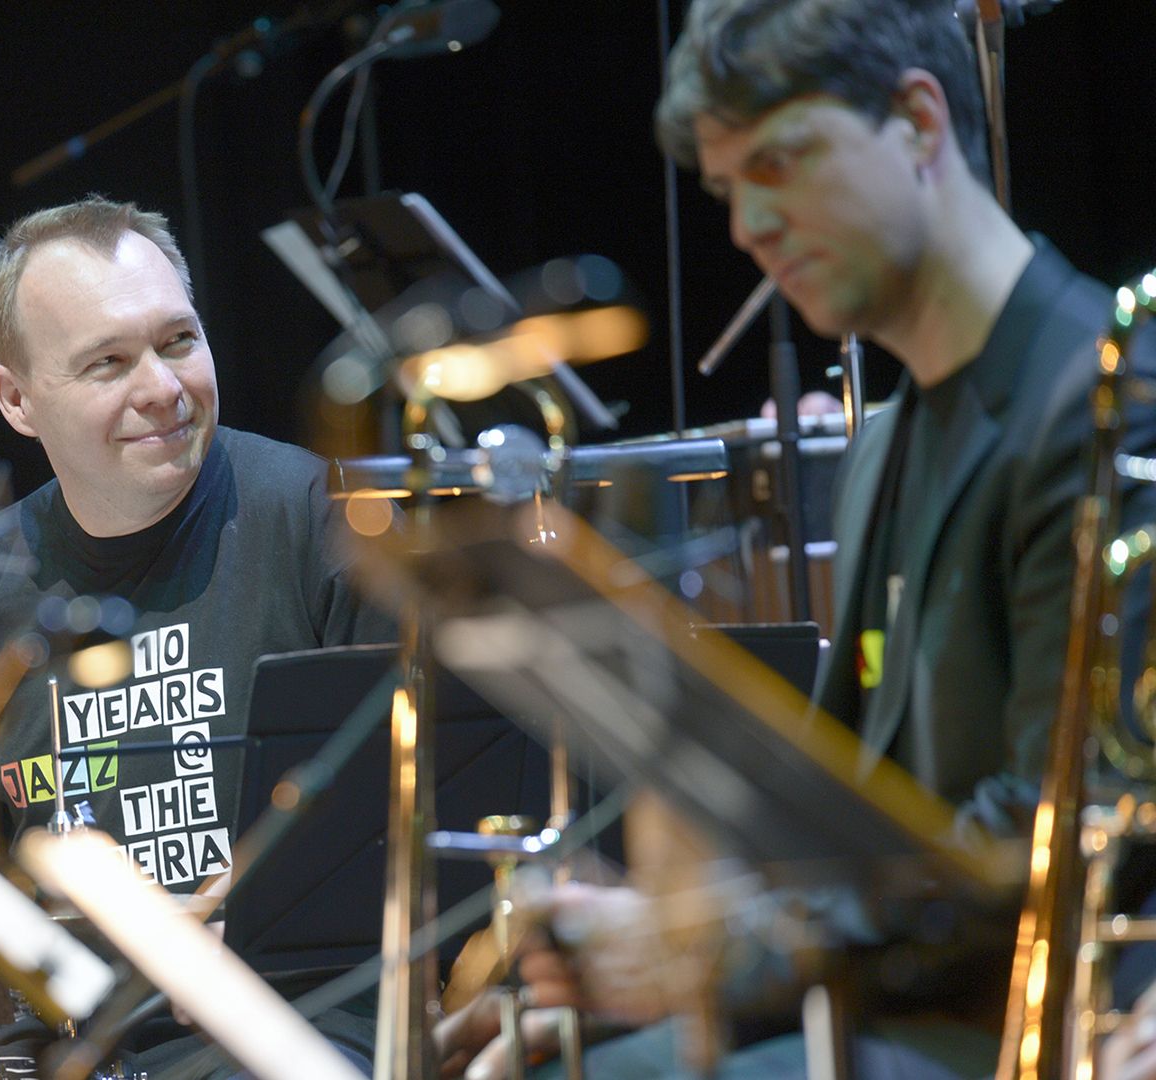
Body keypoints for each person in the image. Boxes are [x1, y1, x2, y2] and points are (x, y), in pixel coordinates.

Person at [435, 0, 1156, 1076]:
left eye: (782, 162)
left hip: (1047, 1020)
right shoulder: (887, 442)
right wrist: (643, 943)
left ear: (918, 124)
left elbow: (1051, 852)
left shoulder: (1108, 402)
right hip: (908, 998)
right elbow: (847, 839)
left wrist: (708, 958)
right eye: (730, 189)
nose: (748, 227)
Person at [0, 195, 396, 1073]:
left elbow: (421, 815)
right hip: (51, 1048)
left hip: (285, 1030)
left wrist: (274, 923)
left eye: (178, 341)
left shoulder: (326, 520)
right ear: (17, 400)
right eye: (108, 363)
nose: (161, 387)